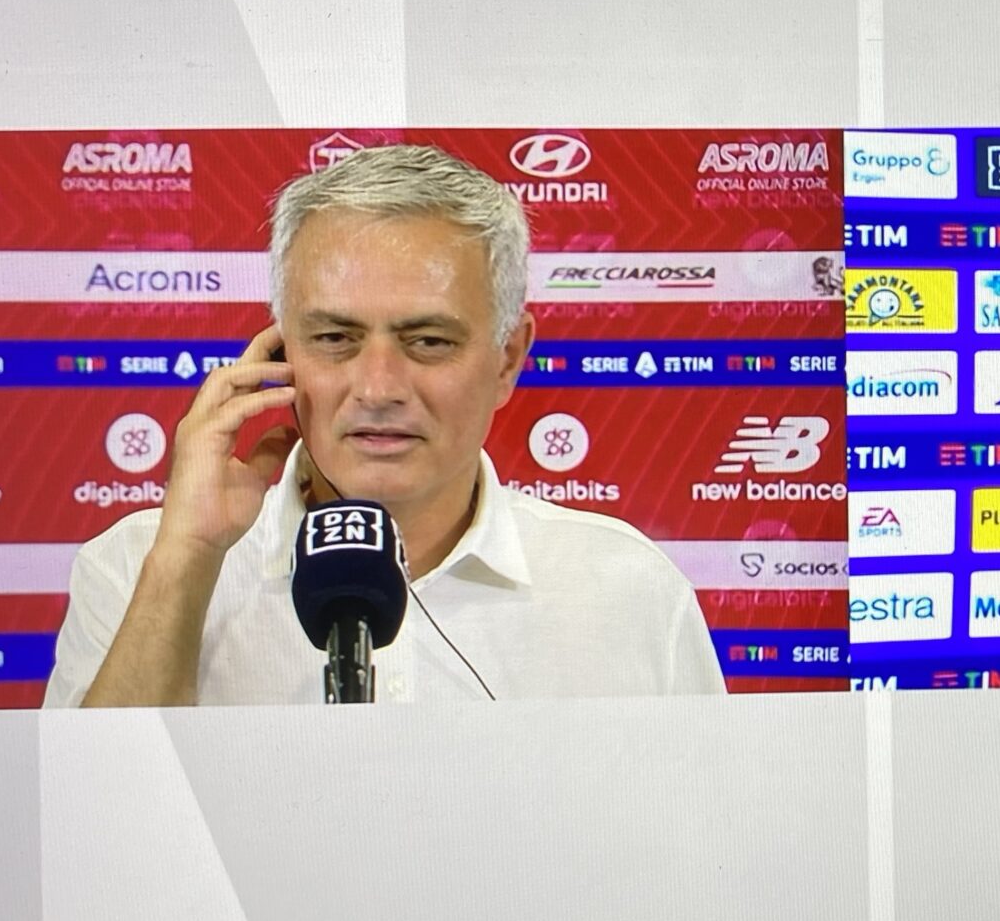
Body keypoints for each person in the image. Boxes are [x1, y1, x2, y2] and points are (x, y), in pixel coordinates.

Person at [45, 145, 726, 706]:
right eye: (334, 338)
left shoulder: (626, 588)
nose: (376, 389)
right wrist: (189, 558)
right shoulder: (137, 567)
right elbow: (99, 822)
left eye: (428, 341)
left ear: (507, 359)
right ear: (281, 352)